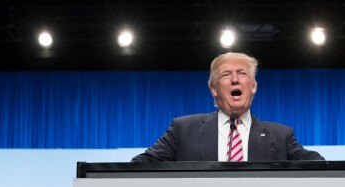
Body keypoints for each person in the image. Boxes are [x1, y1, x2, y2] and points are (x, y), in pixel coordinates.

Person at [132, 52, 324, 162]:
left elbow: (317, 166)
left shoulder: (281, 136)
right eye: (226, 75)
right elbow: (141, 165)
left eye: (242, 73)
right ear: (214, 89)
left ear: (253, 86)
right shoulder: (183, 130)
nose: (234, 79)